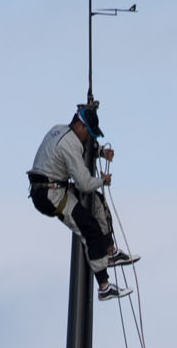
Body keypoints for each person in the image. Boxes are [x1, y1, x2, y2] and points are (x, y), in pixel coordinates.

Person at [28, 102, 138, 300]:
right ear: (80, 125)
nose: (89, 137)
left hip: (52, 186)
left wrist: (100, 152)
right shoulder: (71, 144)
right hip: (49, 195)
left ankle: (109, 251)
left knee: (97, 202)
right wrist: (103, 180)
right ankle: (104, 286)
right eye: (89, 132)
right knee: (89, 227)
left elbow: (75, 157)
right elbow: (85, 183)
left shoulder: (59, 130)